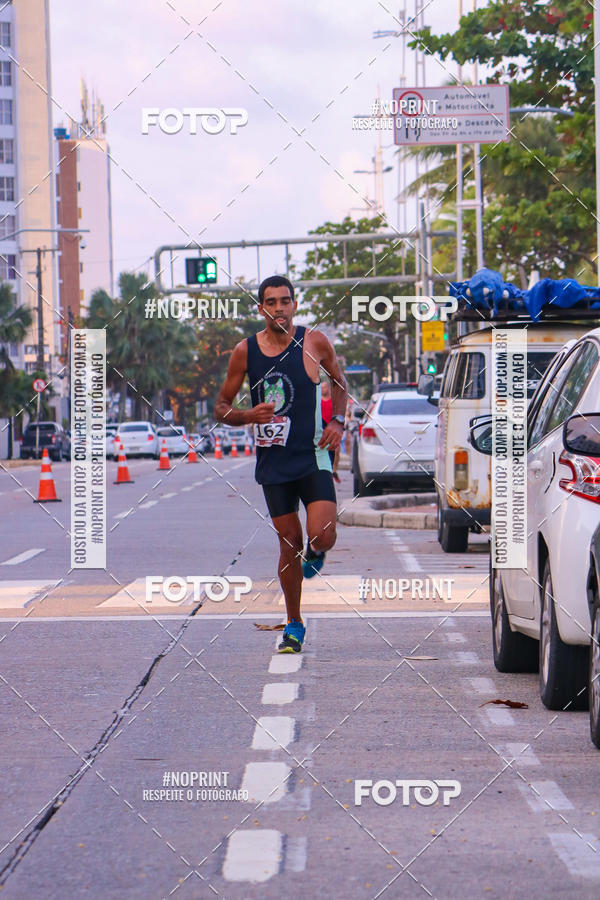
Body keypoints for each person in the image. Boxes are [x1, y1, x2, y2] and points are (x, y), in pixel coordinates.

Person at [214, 275, 347, 653]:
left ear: (294, 305)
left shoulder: (314, 342)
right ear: (261, 309)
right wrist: (247, 415)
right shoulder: (245, 352)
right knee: (290, 543)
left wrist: (338, 421)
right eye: (271, 302)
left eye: (285, 301)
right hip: (274, 462)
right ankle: (294, 624)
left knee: (322, 535)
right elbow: (221, 408)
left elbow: (339, 382)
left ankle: (318, 554)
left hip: (313, 455)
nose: (279, 308)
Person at [320, 379, 341, 483]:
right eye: (321, 387)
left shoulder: (333, 400)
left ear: (328, 388)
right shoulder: (318, 401)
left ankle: (334, 470)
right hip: (322, 431)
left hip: (333, 429)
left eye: (325, 387)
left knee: (336, 451)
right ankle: (326, 471)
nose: (323, 389)